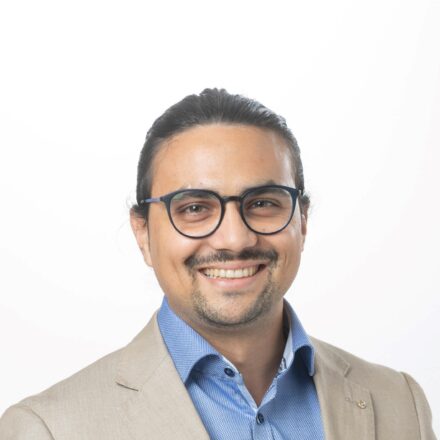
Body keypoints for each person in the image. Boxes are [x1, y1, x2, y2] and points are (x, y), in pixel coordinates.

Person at [0, 88, 436, 440]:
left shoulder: (400, 403)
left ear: (302, 222)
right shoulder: (49, 429)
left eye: (262, 203)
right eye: (194, 208)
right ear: (143, 234)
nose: (234, 239)